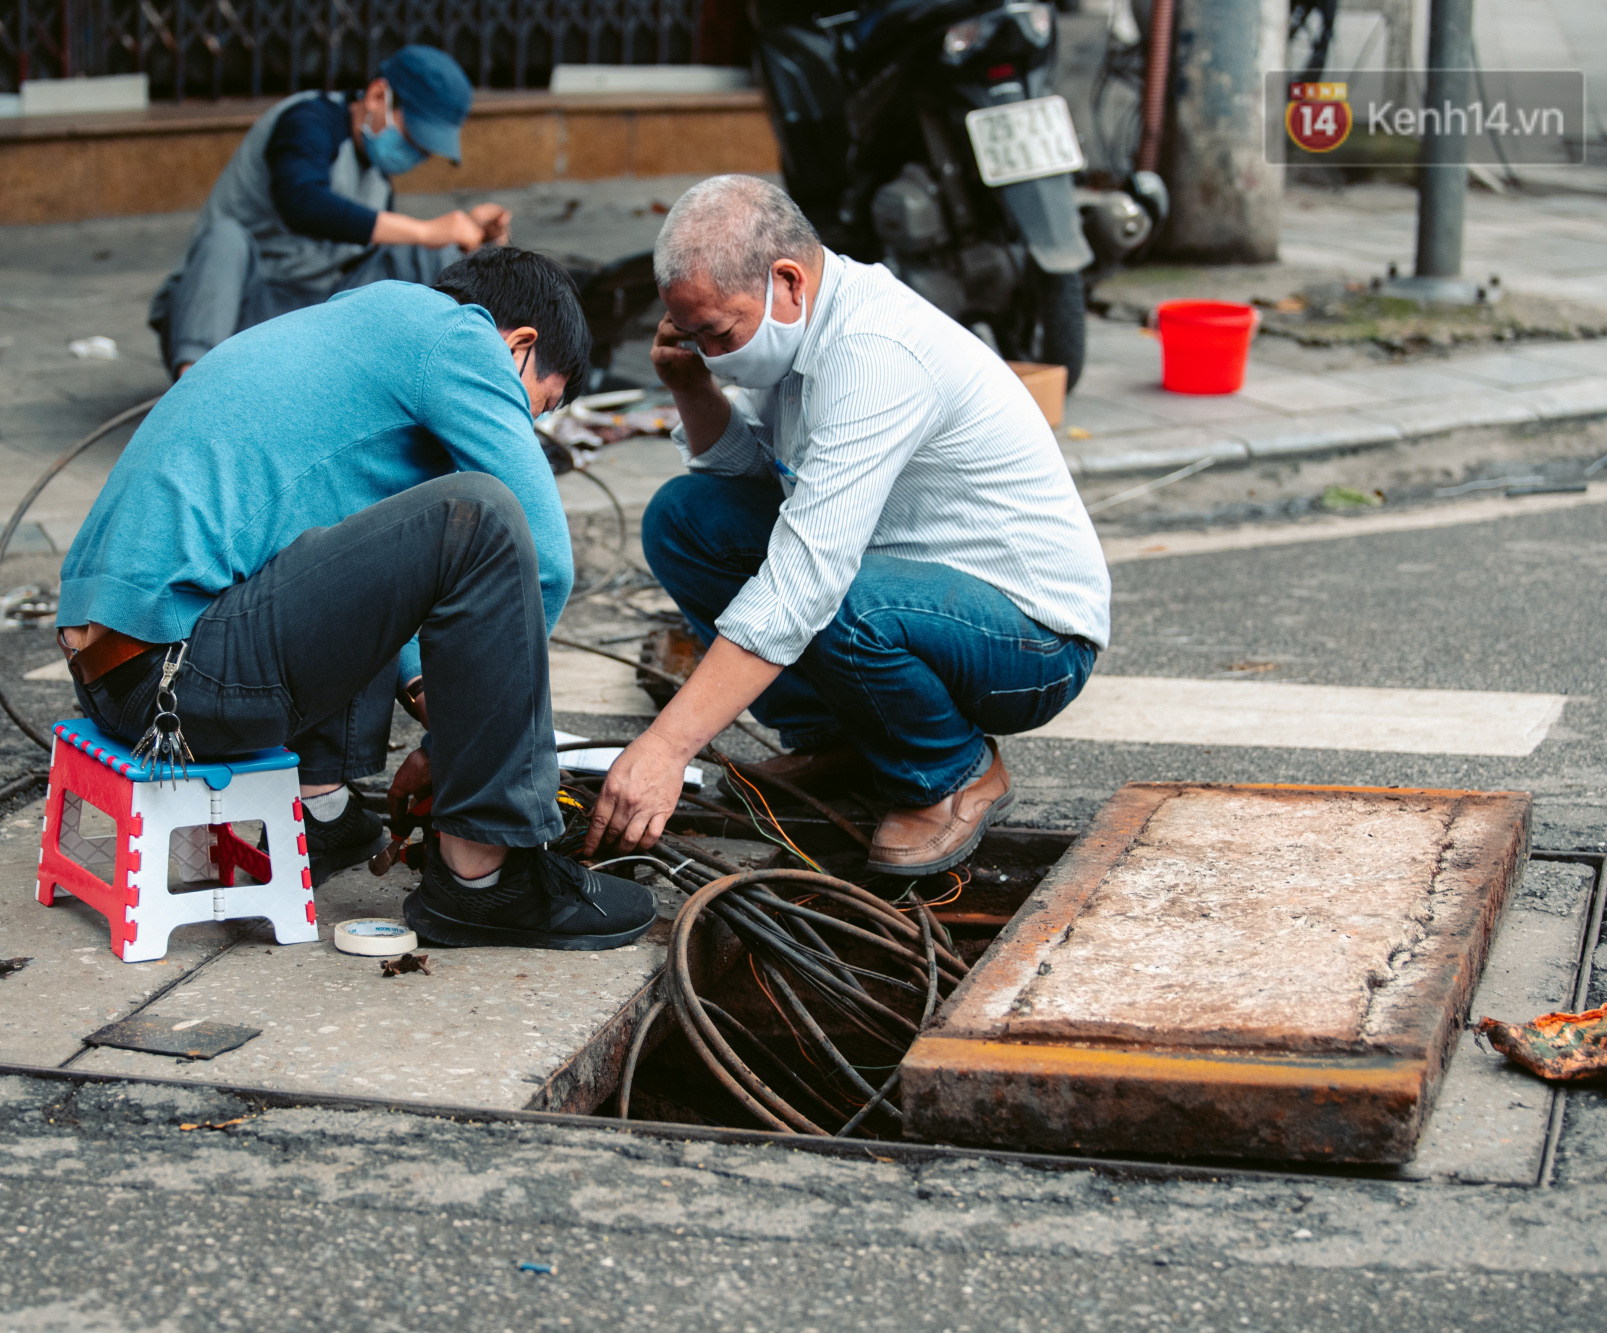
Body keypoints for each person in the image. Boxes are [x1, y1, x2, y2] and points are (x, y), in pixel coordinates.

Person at [60, 248, 655, 950]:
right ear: (519, 346)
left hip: (123, 672)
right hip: (179, 683)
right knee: (487, 515)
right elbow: (546, 563)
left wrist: (426, 687)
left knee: (387, 519)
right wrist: (467, 740)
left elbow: (351, 549)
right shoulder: (459, 338)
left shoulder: (369, 325)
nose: (523, 424)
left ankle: (322, 808)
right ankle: (482, 879)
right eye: (537, 406)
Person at [586, 175, 1110, 877]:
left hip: (1031, 638)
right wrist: (692, 387)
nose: (710, 351)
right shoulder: (795, 330)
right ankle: (835, 738)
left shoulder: (873, 353)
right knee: (686, 520)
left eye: (717, 333)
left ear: (787, 281)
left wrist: (665, 747)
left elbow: (805, 581)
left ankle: (952, 772)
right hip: (901, 588)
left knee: (833, 602)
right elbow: (755, 485)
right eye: (693, 336)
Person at [149, 45, 515, 378]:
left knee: (427, 254)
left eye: (424, 150)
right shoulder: (308, 120)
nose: (416, 155)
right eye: (412, 139)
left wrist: (469, 242)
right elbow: (303, 203)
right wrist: (425, 230)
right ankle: (194, 388)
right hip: (234, 310)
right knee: (223, 239)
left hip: (303, 323)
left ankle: (466, 383)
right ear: (377, 95)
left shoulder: (378, 182)